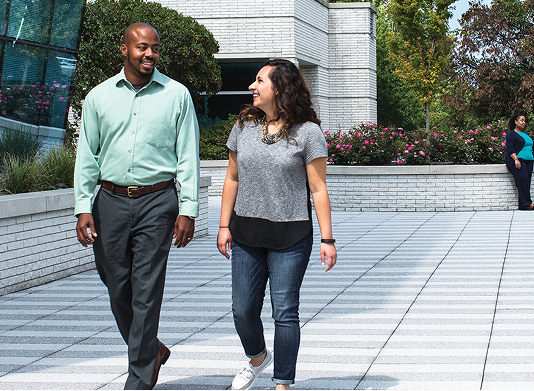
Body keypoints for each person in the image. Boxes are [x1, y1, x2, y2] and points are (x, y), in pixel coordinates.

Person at [73, 22, 200, 390]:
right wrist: (83, 206)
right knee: (117, 286)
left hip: (158, 202)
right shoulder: (98, 97)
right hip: (109, 201)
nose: (149, 54)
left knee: (146, 289)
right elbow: (87, 157)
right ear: (125, 49)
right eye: (142, 47)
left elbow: (188, 158)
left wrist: (187, 209)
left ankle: (139, 379)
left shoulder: (176, 95)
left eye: (155, 48)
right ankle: (152, 350)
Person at [217, 59, 337, 390]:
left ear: (280, 88)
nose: (252, 87)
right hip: (246, 233)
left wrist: (328, 239)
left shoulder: (308, 132)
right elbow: (231, 178)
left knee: (285, 312)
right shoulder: (243, 128)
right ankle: (257, 357)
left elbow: (318, 188)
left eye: (259, 81)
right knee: (242, 310)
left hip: (291, 235)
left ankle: (282, 383)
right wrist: (224, 225)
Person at [504, 114, 534, 210]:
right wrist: (516, 159)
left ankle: (523, 205)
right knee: (522, 180)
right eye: (521, 120)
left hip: (529, 161)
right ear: (516, 122)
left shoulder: (525, 134)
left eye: (524, 121)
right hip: (517, 160)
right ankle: (527, 203)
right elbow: (510, 148)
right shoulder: (511, 134)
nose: (524, 122)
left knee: (526, 182)